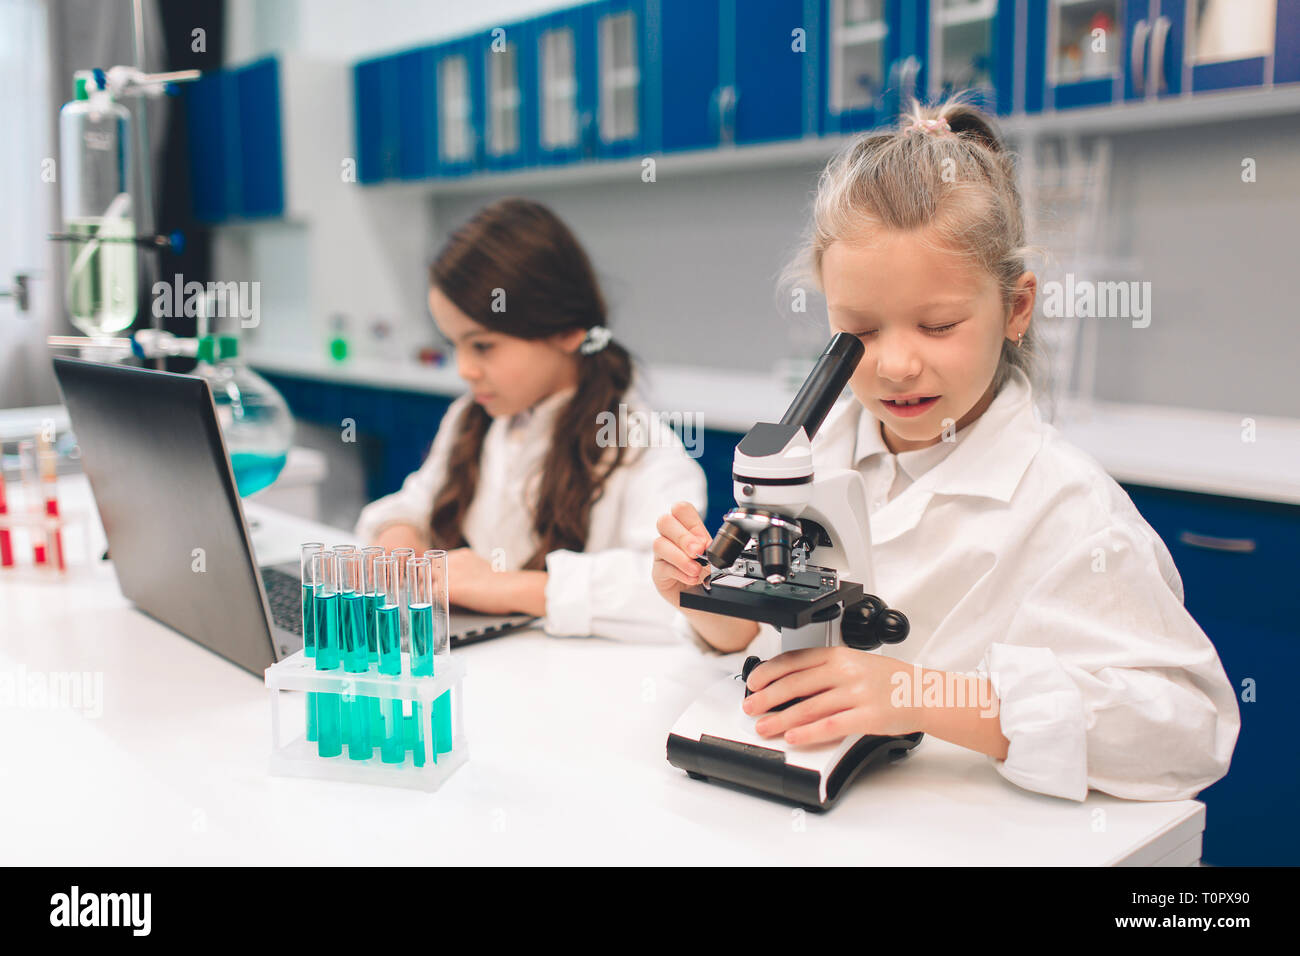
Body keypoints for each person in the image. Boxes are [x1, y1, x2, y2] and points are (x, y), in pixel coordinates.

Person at [652, 97, 1239, 802]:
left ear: (1016, 308)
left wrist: (926, 696)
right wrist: (717, 616)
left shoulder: (1068, 508)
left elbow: (1186, 734)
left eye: (937, 326)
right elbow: (766, 644)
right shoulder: (821, 450)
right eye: (860, 331)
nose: (896, 365)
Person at [357, 198, 705, 642]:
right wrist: (399, 534)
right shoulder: (472, 415)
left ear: (566, 331)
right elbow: (415, 499)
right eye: (454, 345)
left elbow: (675, 590)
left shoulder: (637, 442)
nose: (464, 369)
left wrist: (504, 588)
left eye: (482, 346)